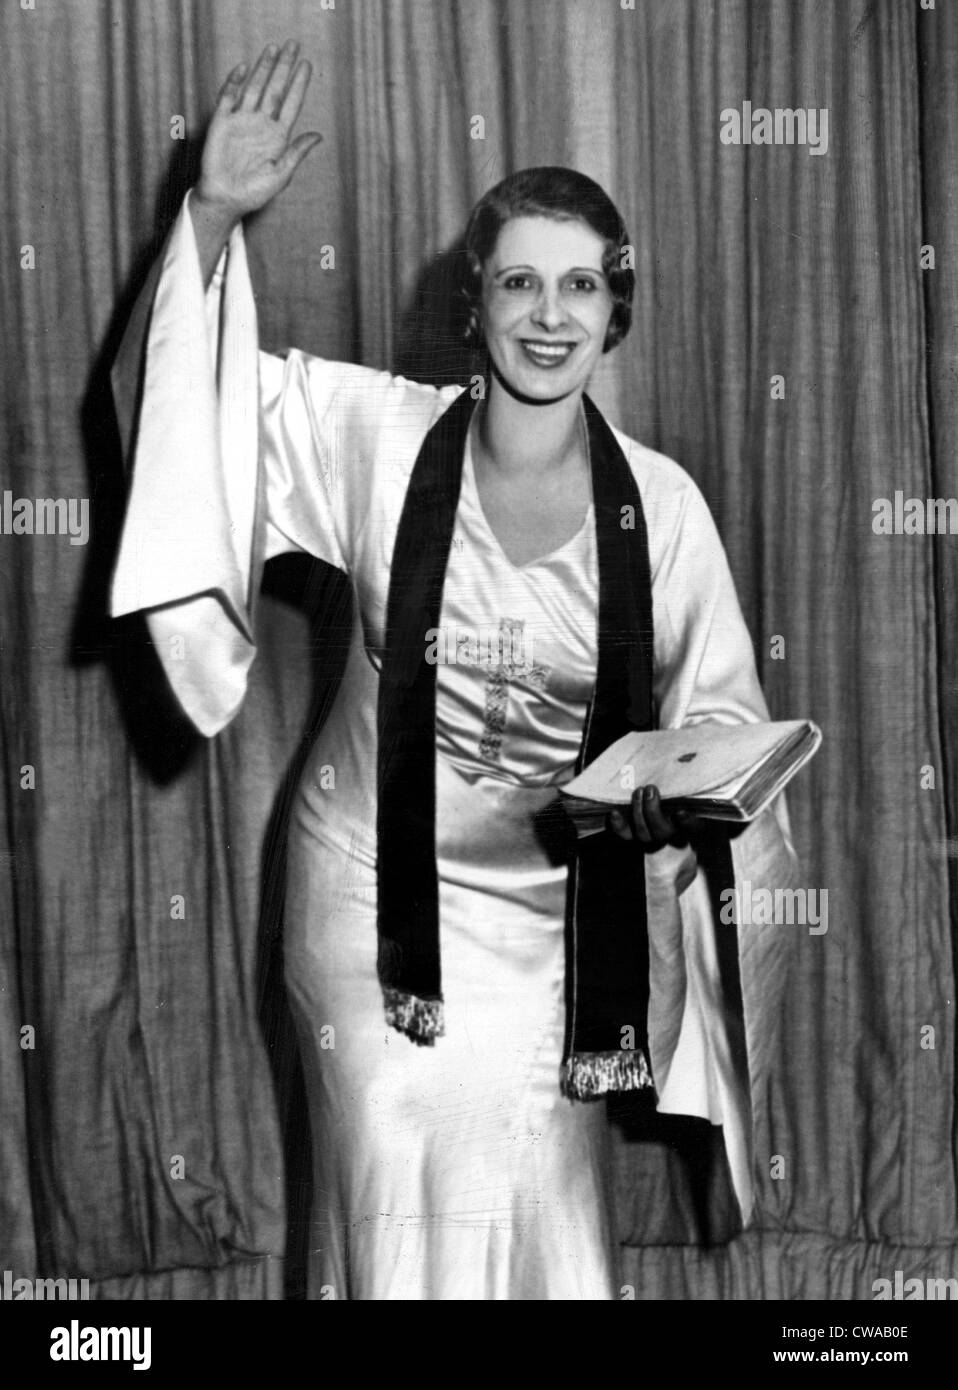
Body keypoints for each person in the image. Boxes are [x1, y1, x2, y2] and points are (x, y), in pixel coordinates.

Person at [110, 40, 799, 1300]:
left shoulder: (666, 506)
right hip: (368, 914)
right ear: (473, 300)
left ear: (616, 309)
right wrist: (209, 219)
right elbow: (190, 419)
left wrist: (674, 812)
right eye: (521, 282)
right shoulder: (373, 435)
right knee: (385, 1212)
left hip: (555, 936)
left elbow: (723, 723)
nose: (551, 315)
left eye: (581, 285)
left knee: (541, 1215)